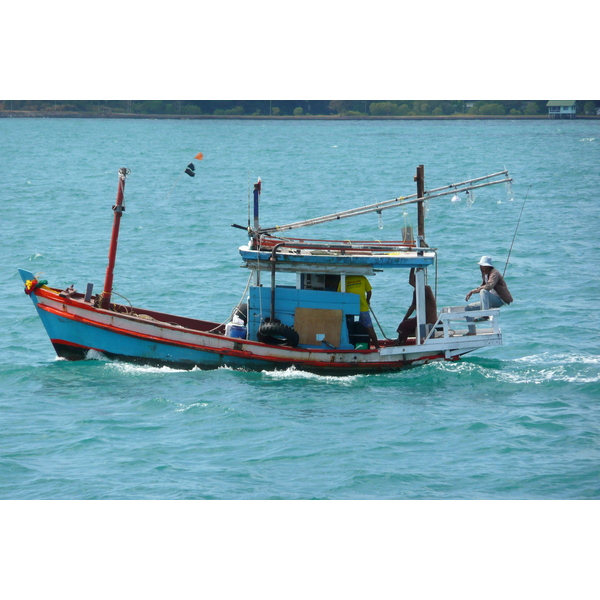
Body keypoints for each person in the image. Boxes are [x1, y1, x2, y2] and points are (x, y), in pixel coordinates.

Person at [464, 256, 513, 334]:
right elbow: (483, 285)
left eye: (482, 265)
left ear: (487, 266)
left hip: (499, 300)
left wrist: (473, 291)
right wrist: (474, 291)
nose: (480, 267)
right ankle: (472, 331)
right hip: (490, 300)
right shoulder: (485, 273)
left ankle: (485, 315)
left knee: (483, 291)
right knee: (468, 309)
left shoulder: (494, 273)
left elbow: (489, 286)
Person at [396, 268, 438, 345]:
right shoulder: (418, 290)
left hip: (427, 318)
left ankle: (401, 343)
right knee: (406, 323)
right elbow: (413, 305)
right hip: (425, 317)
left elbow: (412, 307)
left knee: (403, 325)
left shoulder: (425, 289)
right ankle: (400, 340)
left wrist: (412, 267)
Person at [338, 275, 379, 349]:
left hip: (349, 308)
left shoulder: (345, 279)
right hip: (362, 307)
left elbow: (339, 294)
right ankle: (377, 347)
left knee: (346, 327)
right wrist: (367, 301)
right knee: (369, 328)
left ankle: (346, 345)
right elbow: (369, 292)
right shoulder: (363, 278)